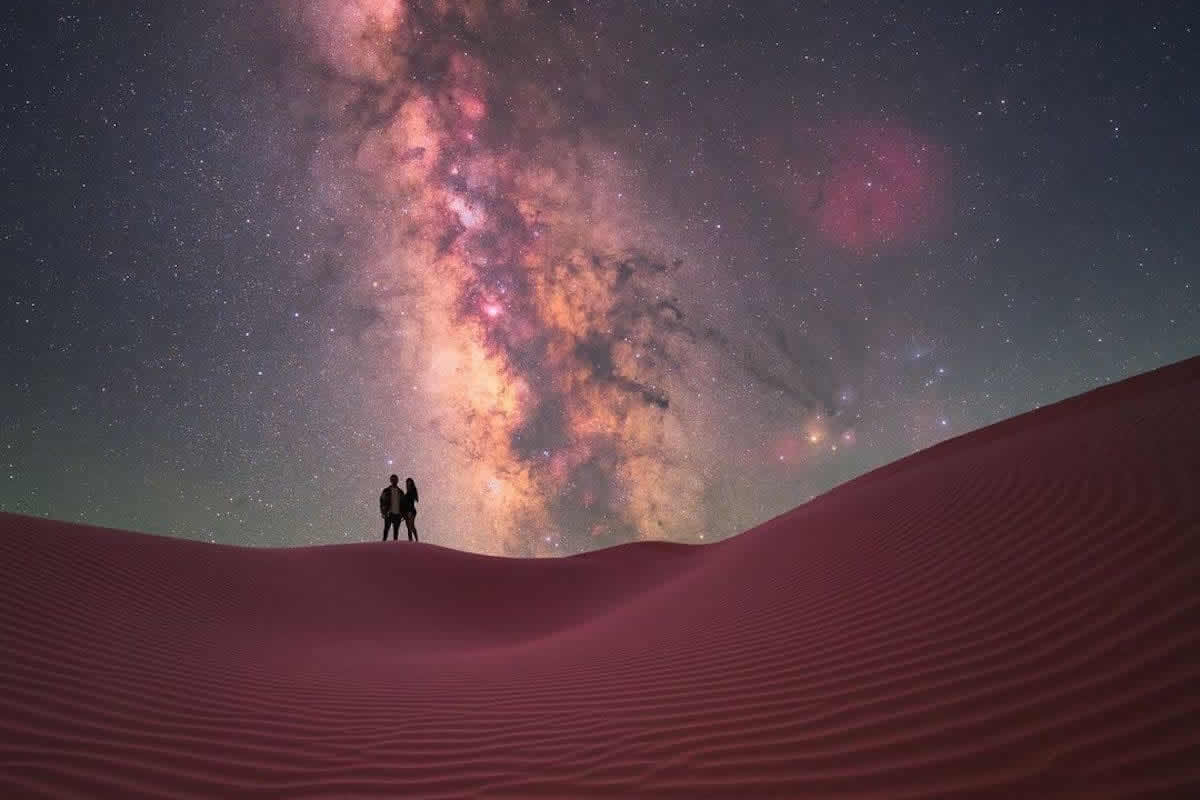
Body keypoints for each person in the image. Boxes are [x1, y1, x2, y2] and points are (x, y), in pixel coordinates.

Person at [380, 474, 405, 541]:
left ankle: (395, 545)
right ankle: (383, 544)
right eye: (392, 479)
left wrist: (403, 514)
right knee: (386, 530)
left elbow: (404, 504)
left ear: (397, 480)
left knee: (396, 532)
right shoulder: (386, 490)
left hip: (398, 514)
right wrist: (383, 512)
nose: (394, 481)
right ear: (390, 480)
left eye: (395, 479)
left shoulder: (401, 492)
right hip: (389, 513)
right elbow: (382, 501)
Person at [401, 477, 419, 542]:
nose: (408, 483)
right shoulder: (407, 493)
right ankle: (411, 541)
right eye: (407, 482)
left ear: (411, 483)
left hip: (411, 511)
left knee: (411, 526)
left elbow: (415, 499)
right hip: (407, 511)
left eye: (409, 482)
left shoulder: (413, 490)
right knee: (409, 527)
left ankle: (416, 540)